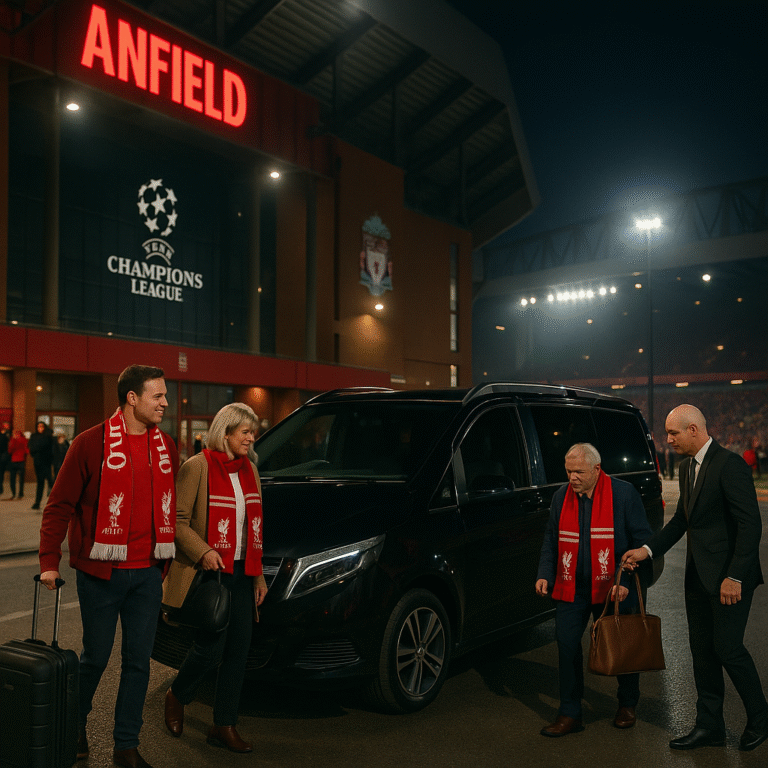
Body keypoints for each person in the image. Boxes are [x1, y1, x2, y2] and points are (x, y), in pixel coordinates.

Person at [38, 365, 178, 768]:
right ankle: (74, 725)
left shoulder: (166, 446)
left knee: (138, 662)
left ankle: (126, 746)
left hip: (148, 573)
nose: (165, 403)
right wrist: (51, 561)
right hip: (101, 573)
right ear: (132, 398)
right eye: (158, 396)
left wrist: (162, 568)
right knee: (96, 657)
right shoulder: (89, 443)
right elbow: (59, 505)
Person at [623, 404, 767, 752]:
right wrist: (647, 550)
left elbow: (750, 525)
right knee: (702, 652)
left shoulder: (729, 464)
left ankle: (761, 719)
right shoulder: (688, 468)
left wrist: (734, 575)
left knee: (728, 649)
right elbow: (679, 523)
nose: (667, 439)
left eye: (673, 433)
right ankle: (710, 727)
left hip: (729, 580)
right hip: (698, 579)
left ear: (693, 430)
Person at [162, 403, 267, 753]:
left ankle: (224, 724)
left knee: (239, 651)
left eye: (252, 431)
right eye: (244, 432)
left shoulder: (251, 468)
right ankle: (177, 695)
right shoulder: (198, 467)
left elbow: (255, 529)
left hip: (242, 572)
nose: (251, 437)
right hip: (210, 572)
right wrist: (204, 550)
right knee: (210, 649)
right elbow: (176, 521)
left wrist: (258, 578)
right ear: (225, 433)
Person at [535, 442, 652, 737]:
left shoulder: (623, 494)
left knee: (622, 647)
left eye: (579, 472)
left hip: (613, 588)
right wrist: (545, 574)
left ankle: (627, 704)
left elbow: (642, 544)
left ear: (597, 470)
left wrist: (623, 582)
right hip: (570, 586)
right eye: (568, 471)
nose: (572, 477)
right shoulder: (562, 496)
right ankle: (570, 713)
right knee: (567, 646)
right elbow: (552, 539)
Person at [29, 421, 55, 509]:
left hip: (46, 462)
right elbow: (31, 447)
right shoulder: (34, 436)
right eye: (38, 426)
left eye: (42, 426)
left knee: (50, 480)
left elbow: (50, 448)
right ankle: (37, 502)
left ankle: (55, 501)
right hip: (38, 462)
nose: (40, 428)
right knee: (40, 482)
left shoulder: (48, 436)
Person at [7, 428, 29, 499]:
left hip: (13, 461)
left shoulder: (13, 439)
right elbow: (27, 451)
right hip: (21, 461)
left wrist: (13, 440)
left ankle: (13, 494)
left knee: (12, 479)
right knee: (21, 479)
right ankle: (20, 494)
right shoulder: (24, 439)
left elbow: (10, 450)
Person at [0, 421, 10, 496]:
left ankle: (0, 487)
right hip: (3, 455)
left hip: (3, 456)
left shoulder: (8, 434)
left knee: (1, 472)